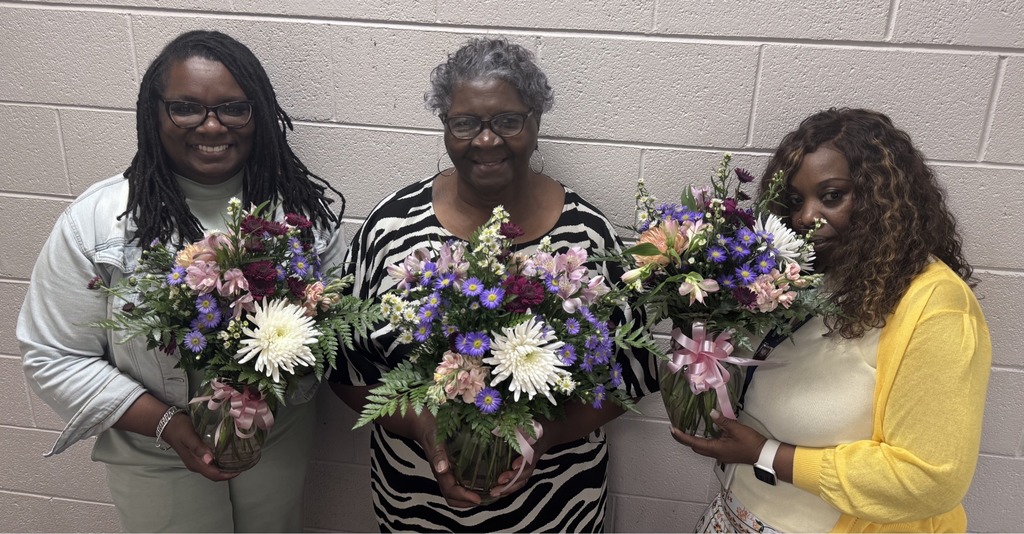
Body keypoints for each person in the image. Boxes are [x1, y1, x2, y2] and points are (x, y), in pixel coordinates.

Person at [17, 30, 345, 532]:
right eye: (186, 108)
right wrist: (166, 423)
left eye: (234, 108)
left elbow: (334, 332)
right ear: (155, 114)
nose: (212, 126)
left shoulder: (301, 217)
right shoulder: (100, 221)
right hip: (153, 455)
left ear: (259, 114)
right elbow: (53, 354)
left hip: (272, 446)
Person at [329, 37, 658, 532]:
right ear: (445, 125)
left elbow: (629, 374)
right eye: (466, 123)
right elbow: (345, 369)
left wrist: (543, 435)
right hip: (419, 508)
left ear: (535, 121)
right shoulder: (390, 229)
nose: (486, 140)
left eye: (508, 120)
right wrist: (422, 425)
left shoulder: (586, 235)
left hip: (555, 507)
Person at [673, 108, 991, 532]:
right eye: (795, 201)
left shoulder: (936, 306)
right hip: (736, 513)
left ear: (883, 195)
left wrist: (766, 454)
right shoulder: (800, 275)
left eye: (832, 195)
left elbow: (929, 478)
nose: (806, 217)